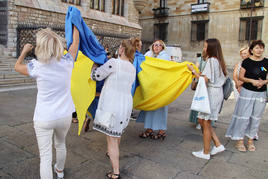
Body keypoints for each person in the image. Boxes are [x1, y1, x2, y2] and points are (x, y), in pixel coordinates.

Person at [14, 27, 79, 179]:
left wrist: (24, 51)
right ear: (57, 45)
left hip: (44, 117)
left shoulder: (36, 66)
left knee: (45, 156)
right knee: (61, 144)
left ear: (41, 47)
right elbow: (75, 43)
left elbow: (16, 66)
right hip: (64, 115)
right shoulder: (68, 62)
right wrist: (76, 24)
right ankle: (60, 171)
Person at [91, 39, 136, 179]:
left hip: (113, 103)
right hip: (125, 103)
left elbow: (96, 76)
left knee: (111, 139)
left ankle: (115, 172)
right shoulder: (132, 67)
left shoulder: (114, 63)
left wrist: (92, 67)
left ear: (122, 49)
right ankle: (111, 153)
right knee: (117, 133)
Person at [187, 38, 227, 160]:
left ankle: (206, 152)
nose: (203, 49)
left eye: (205, 47)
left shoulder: (211, 61)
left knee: (205, 122)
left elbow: (205, 79)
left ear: (211, 48)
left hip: (211, 94)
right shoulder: (218, 61)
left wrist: (193, 71)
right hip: (215, 93)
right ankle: (217, 144)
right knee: (202, 120)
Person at [225, 40, 268, 152]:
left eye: (261, 48)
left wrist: (263, 82)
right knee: (244, 116)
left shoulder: (265, 63)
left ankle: (250, 140)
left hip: (261, 93)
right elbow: (241, 77)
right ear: (252, 50)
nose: (260, 50)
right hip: (247, 92)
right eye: (257, 48)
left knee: (256, 117)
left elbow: (265, 73)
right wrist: (252, 81)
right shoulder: (247, 62)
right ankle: (239, 140)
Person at [137, 40, 171, 140]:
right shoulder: (148, 54)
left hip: (160, 86)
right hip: (150, 86)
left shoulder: (165, 56)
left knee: (160, 108)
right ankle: (149, 129)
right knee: (150, 108)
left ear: (162, 47)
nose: (156, 47)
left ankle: (162, 131)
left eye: (159, 45)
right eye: (155, 45)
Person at [189, 52, 207, 130]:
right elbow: (196, 68)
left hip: (207, 83)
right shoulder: (200, 60)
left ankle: (205, 121)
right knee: (199, 101)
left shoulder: (211, 60)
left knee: (205, 102)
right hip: (200, 82)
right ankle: (198, 122)